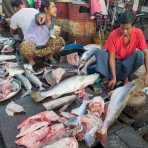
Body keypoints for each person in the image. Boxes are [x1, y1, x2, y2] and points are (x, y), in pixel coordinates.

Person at [81, 11, 148, 89]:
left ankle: (124, 76)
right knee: (99, 52)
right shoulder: (113, 34)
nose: (124, 31)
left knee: (140, 55)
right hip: (115, 63)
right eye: (122, 28)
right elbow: (111, 57)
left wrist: (147, 73)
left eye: (127, 29)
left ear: (133, 27)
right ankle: (115, 77)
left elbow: (146, 53)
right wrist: (114, 77)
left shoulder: (138, 33)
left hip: (127, 64)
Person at [10, 0, 65, 65]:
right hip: (46, 43)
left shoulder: (14, 17)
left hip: (32, 46)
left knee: (23, 45)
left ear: (14, 8)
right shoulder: (35, 10)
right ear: (23, 4)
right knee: (59, 40)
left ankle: (31, 61)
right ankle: (50, 57)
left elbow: (13, 32)